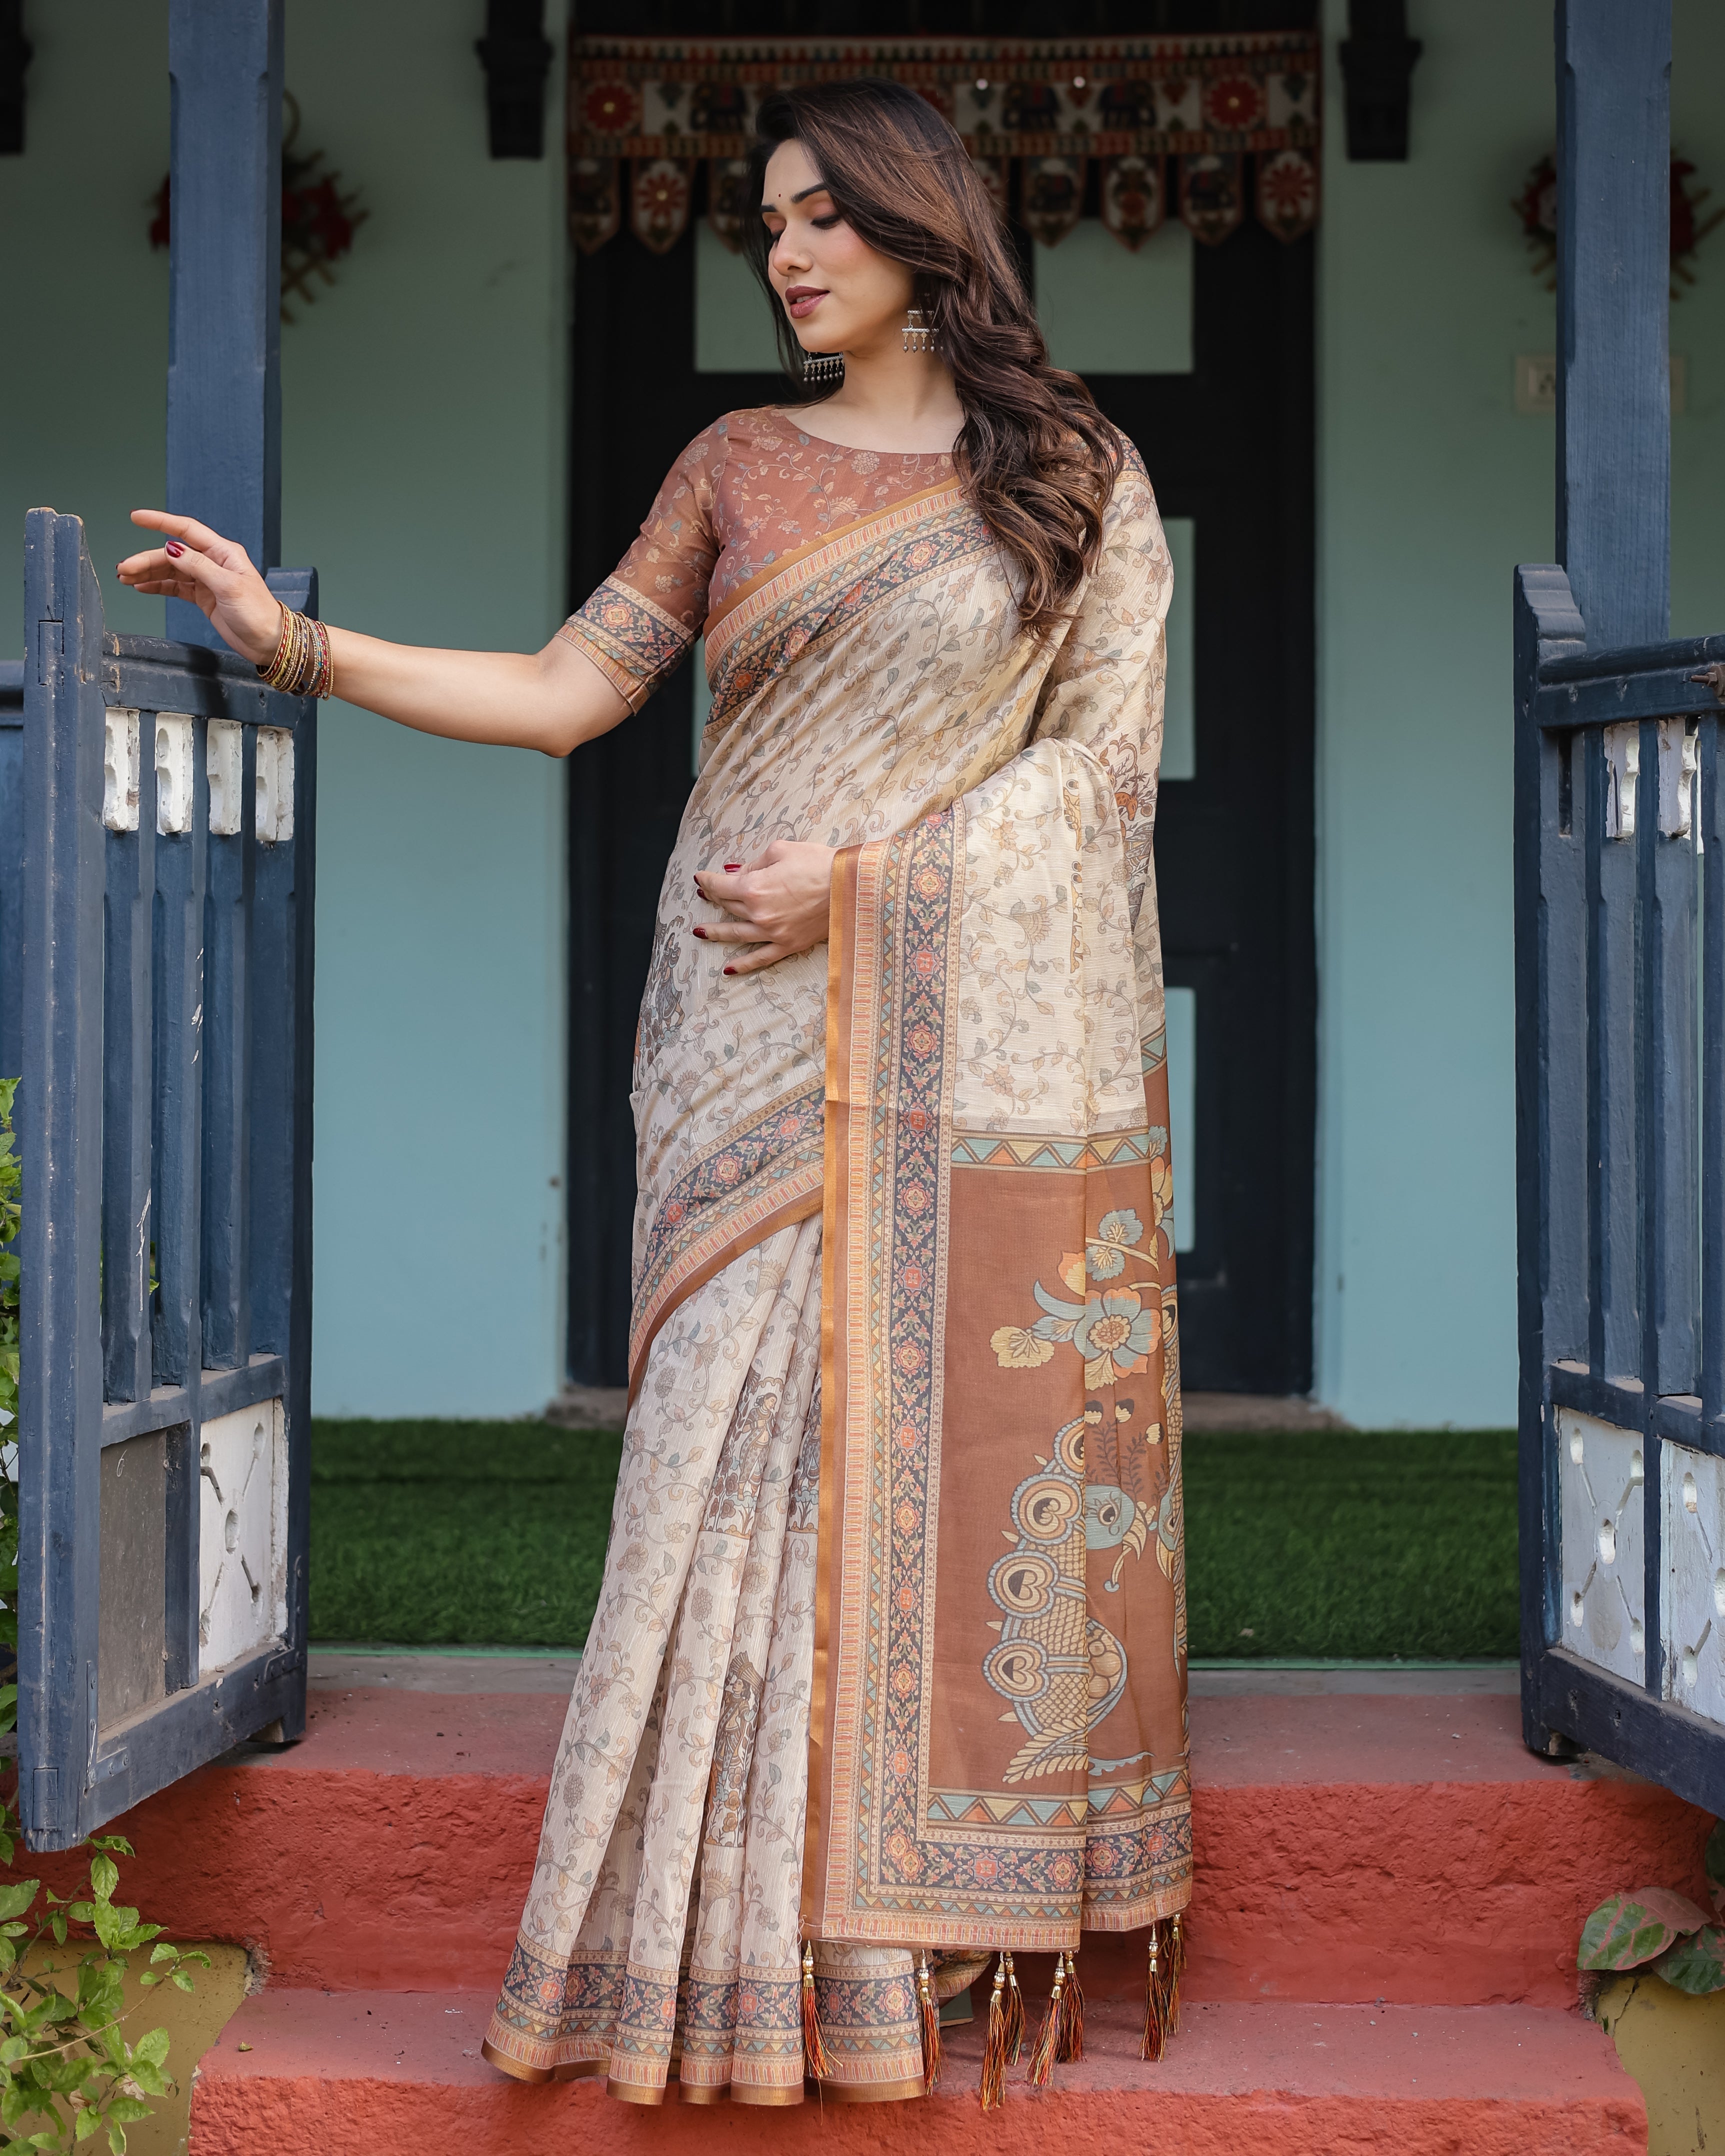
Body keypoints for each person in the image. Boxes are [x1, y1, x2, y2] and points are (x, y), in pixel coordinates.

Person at [120, 76, 1190, 2110]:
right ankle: (686, 1952)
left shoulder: (1075, 474)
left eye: (822, 216)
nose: (784, 253)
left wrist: (866, 883)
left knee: (924, 1441)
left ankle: (890, 1950)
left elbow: (1096, 778)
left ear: (921, 227)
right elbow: (565, 694)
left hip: (939, 1012)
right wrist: (290, 644)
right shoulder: (733, 464)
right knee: (713, 1438)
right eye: (766, 222)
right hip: (733, 1020)